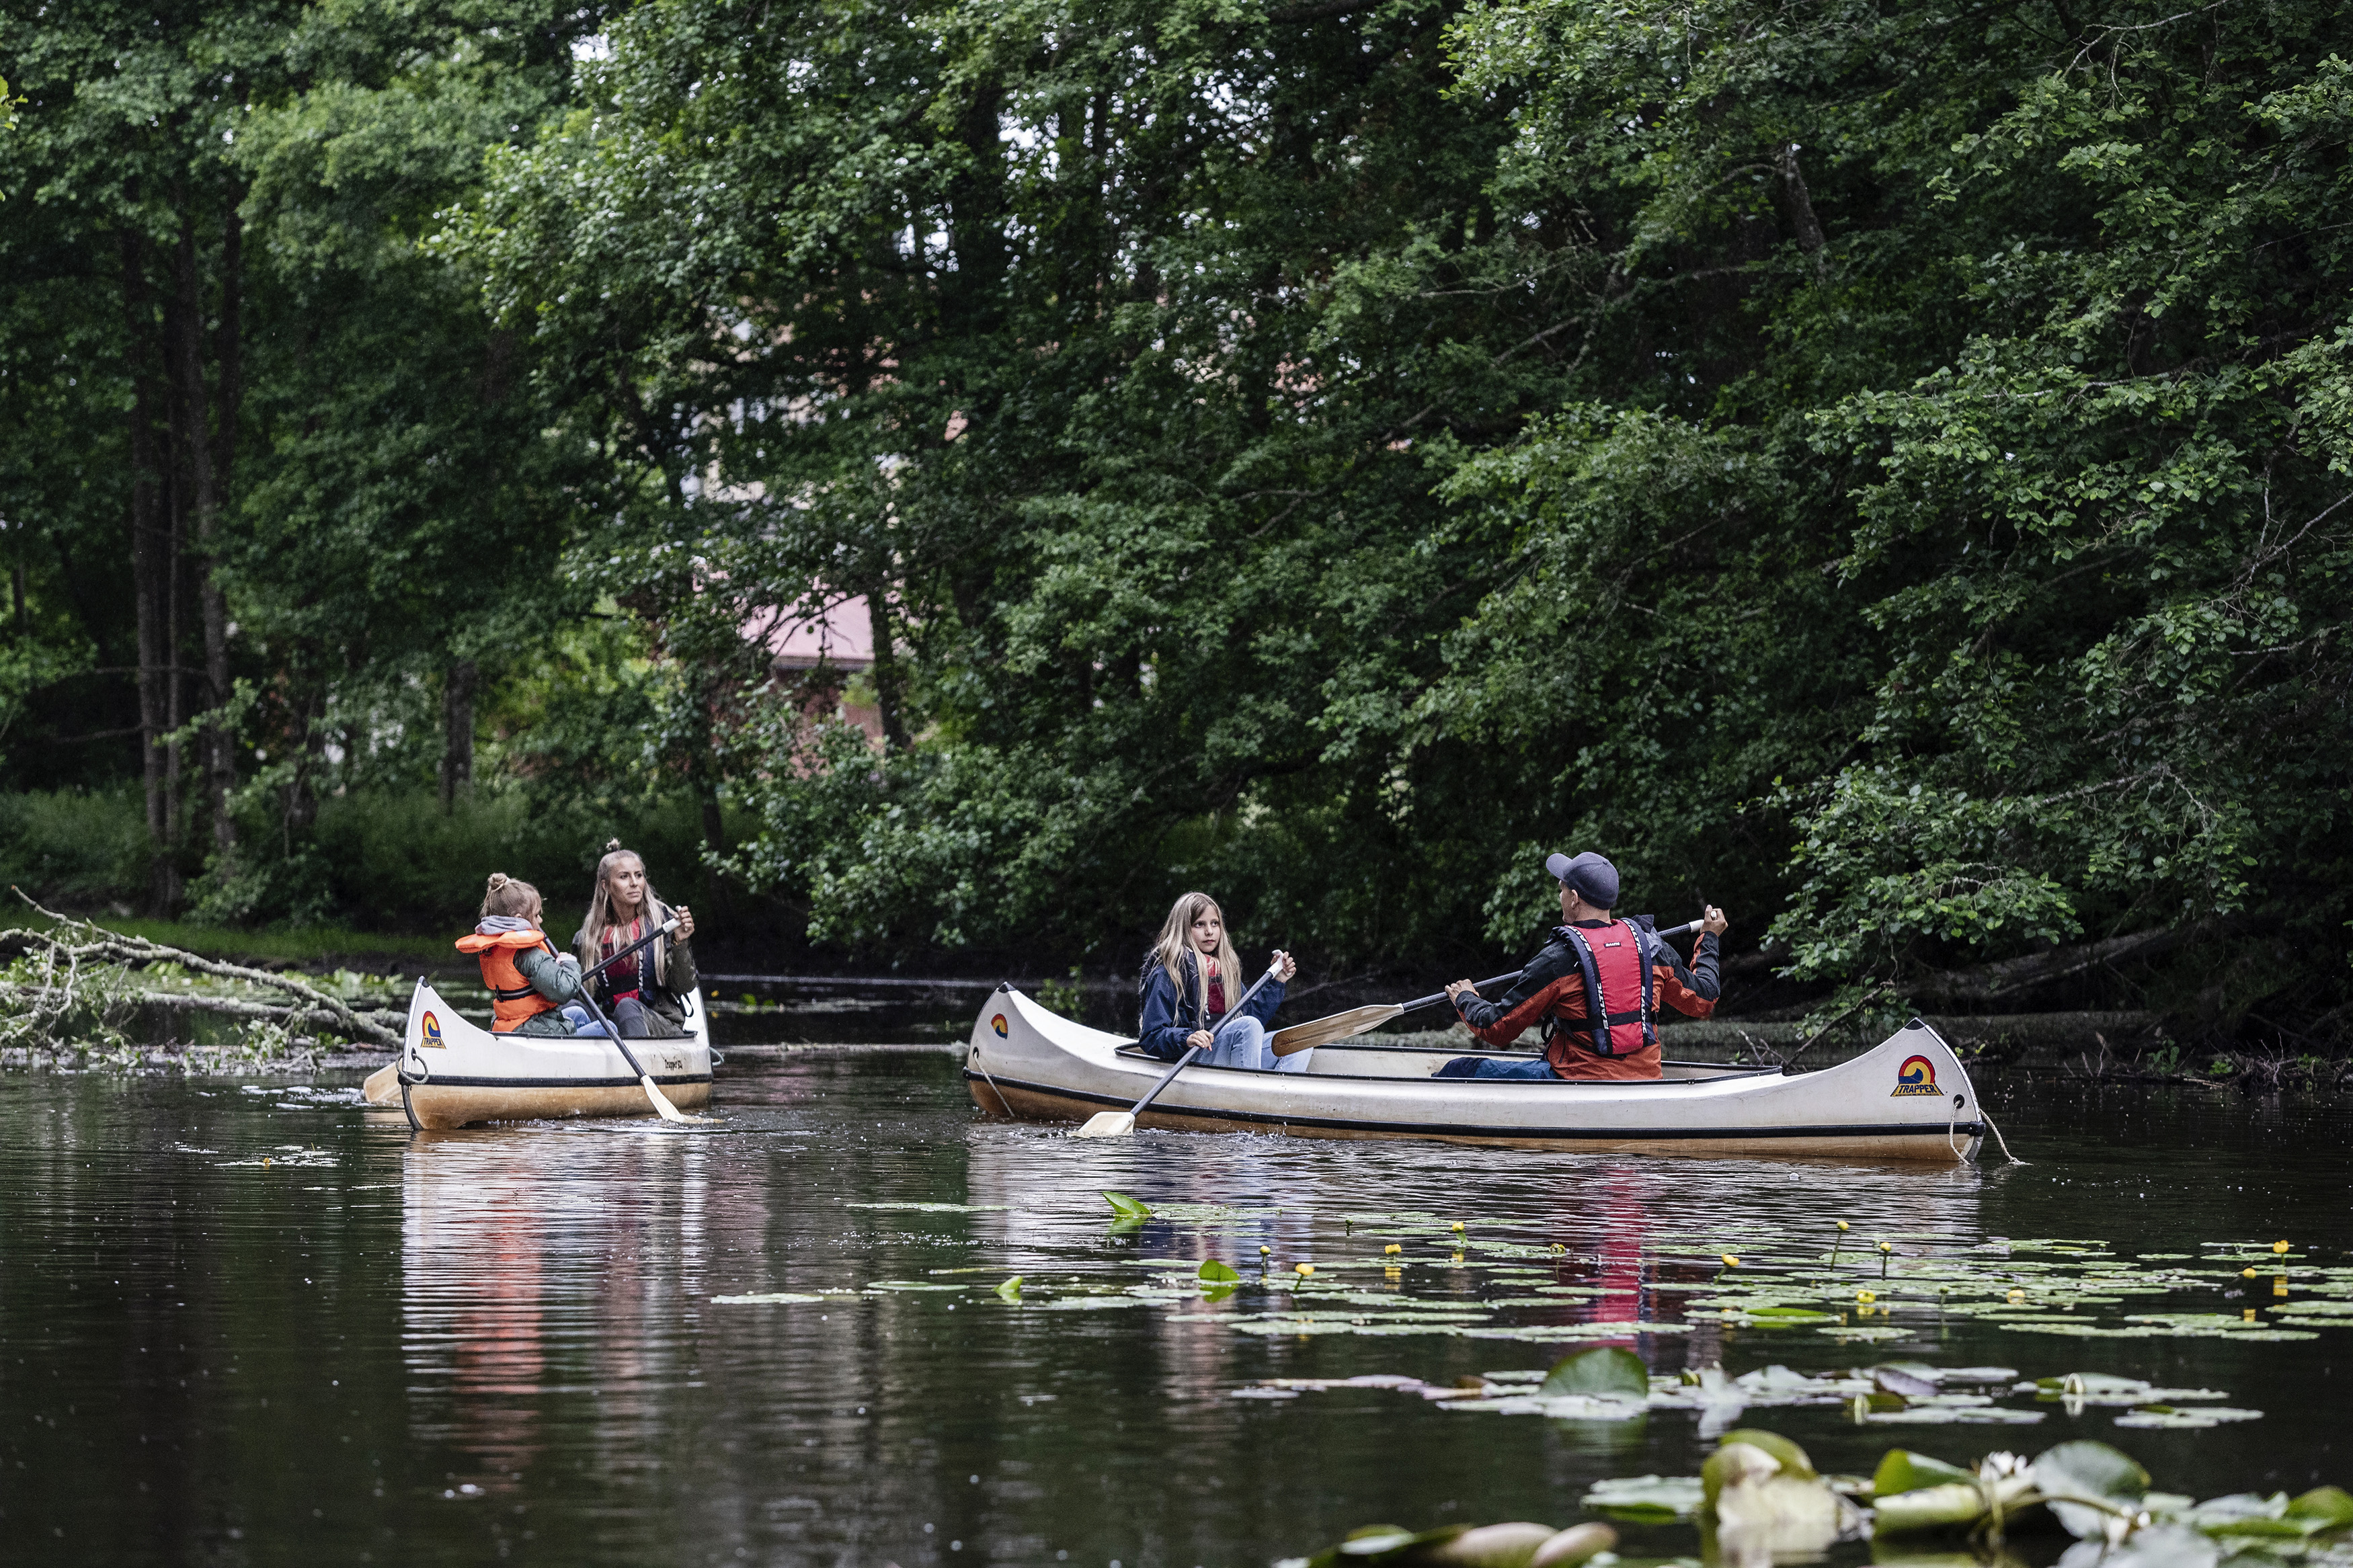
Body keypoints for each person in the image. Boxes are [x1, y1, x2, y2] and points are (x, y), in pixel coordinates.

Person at [1439, 851, 1728, 1081]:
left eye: (1562, 890)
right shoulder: (1652, 950)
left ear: (1574, 899)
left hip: (1578, 1081)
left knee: (1459, 1069)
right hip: (1645, 1079)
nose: (1560, 896)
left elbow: (1497, 1028)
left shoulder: (1557, 959)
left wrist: (1466, 999)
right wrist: (1710, 938)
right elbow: (1704, 1000)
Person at [1138, 891, 1304, 1072]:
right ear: (1183, 929)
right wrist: (1187, 1038)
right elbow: (1152, 1036)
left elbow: (1251, 1019)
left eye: (1214, 923)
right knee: (1247, 1027)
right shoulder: (1168, 972)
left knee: (1300, 1041)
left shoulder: (1225, 969)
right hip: (1191, 1057)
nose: (1209, 931)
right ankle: (1249, 1088)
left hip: (1224, 1052)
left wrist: (1278, 982)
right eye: (1199, 924)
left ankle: (1278, 1090)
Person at [571, 841, 701, 1039]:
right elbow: (582, 997)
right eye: (624, 877)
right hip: (612, 1024)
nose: (634, 883)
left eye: (639, 875)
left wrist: (679, 943)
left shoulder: (664, 923)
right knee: (572, 1007)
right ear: (606, 885)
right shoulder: (588, 937)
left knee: (627, 1008)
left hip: (659, 1023)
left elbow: (685, 986)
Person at [456, 873, 606, 1036]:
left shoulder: (495, 948)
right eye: (536, 915)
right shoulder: (529, 954)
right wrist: (569, 963)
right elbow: (563, 991)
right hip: (534, 1029)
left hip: (512, 1023)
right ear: (519, 919)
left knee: (578, 1013)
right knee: (607, 1027)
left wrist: (554, 967)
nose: (540, 920)